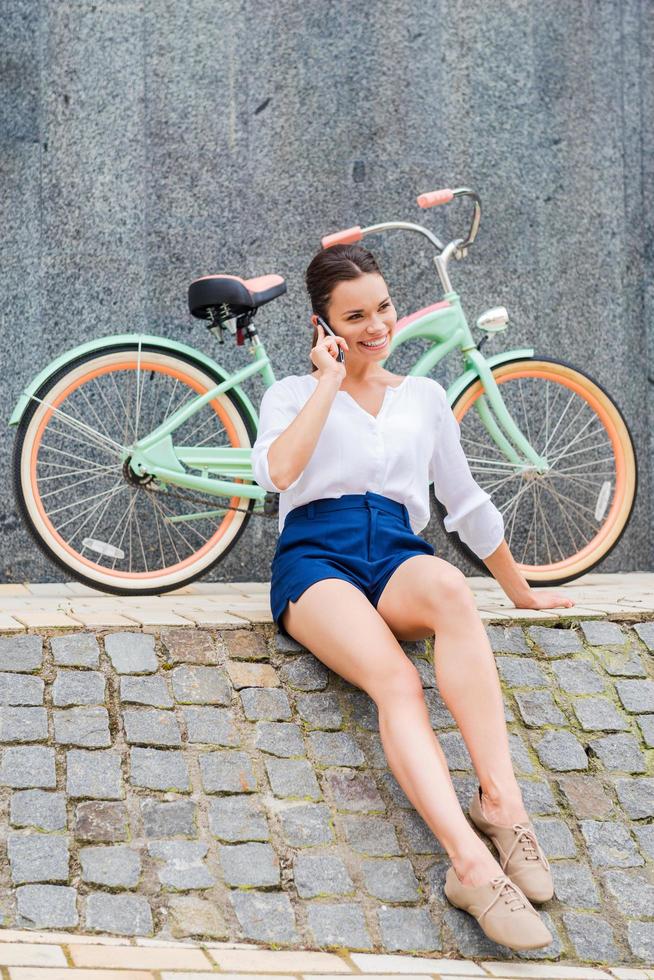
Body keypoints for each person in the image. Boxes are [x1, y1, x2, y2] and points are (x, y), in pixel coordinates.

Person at [251, 243, 575, 951]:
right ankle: (467, 865)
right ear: (323, 325)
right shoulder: (290, 395)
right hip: (316, 559)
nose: (376, 326)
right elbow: (277, 473)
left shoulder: (423, 398)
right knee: (397, 679)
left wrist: (519, 591)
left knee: (453, 589)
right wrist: (328, 385)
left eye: (384, 307)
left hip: (396, 550)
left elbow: (465, 503)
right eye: (355, 315)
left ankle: (502, 804)